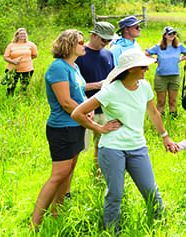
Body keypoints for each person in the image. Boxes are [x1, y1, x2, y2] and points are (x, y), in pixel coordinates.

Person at [71, 48, 177, 234]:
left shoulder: (144, 87)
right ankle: (112, 232)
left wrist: (165, 136)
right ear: (129, 69)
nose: (147, 69)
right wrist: (99, 128)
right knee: (115, 195)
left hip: (138, 147)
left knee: (151, 192)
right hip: (112, 149)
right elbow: (77, 113)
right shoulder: (110, 91)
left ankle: (162, 228)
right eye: (142, 66)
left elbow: (153, 113)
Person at [32, 29, 109, 230]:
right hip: (62, 127)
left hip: (76, 125)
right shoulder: (58, 67)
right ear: (69, 45)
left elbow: (78, 95)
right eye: (80, 42)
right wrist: (86, 114)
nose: (84, 46)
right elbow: (66, 102)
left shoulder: (73, 66)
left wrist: (86, 109)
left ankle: (57, 213)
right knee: (59, 174)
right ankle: (35, 223)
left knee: (68, 171)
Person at [75, 21, 118, 165]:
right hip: (85, 109)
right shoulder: (79, 54)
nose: (106, 43)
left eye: (109, 40)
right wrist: (98, 85)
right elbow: (73, 86)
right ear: (93, 35)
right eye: (103, 39)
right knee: (79, 149)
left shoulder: (109, 53)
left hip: (106, 109)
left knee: (103, 147)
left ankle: (99, 176)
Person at [145, 27, 186, 117]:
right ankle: (160, 117)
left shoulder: (179, 46)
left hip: (174, 76)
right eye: (170, 34)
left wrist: (180, 59)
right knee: (161, 101)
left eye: (174, 33)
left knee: (173, 100)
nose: (172, 35)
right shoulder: (158, 47)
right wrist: (155, 60)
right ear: (164, 35)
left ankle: (173, 116)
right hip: (161, 76)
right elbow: (146, 53)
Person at [3, 27, 38, 96]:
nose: (23, 35)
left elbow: (34, 55)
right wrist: (13, 62)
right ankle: (9, 98)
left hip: (27, 69)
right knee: (11, 86)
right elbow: (5, 57)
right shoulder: (11, 45)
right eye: (21, 33)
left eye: (24, 33)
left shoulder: (31, 44)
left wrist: (26, 60)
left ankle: (22, 98)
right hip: (13, 69)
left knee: (24, 86)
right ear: (17, 35)